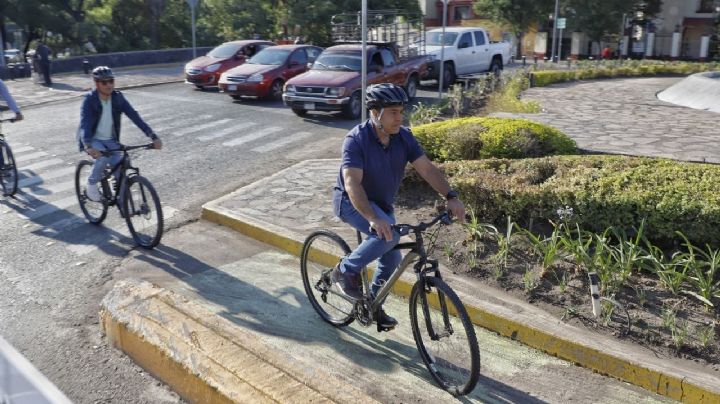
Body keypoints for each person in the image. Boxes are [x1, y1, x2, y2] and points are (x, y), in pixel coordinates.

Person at [331, 83, 466, 330]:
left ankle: (372, 304)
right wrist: (373, 218)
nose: (399, 117)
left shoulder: (403, 137)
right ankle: (344, 270)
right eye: (393, 112)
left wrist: (450, 196)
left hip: (381, 204)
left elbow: (426, 169)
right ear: (375, 112)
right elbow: (351, 184)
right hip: (352, 203)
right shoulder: (356, 140)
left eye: (401, 111)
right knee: (388, 236)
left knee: (392, 258)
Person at [78, 66, 162, 202]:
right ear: (96, 83)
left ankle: (124, 207)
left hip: (110, 139)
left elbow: (134, 116)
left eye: (111, 81)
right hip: (92, 138)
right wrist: (88, 145)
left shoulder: (117, 98)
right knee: (103, 158)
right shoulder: (89, 100)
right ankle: (91, 184)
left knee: (121, 166)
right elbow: (85, 123)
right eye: (104, 82)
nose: (109, 85)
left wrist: (153, 136)